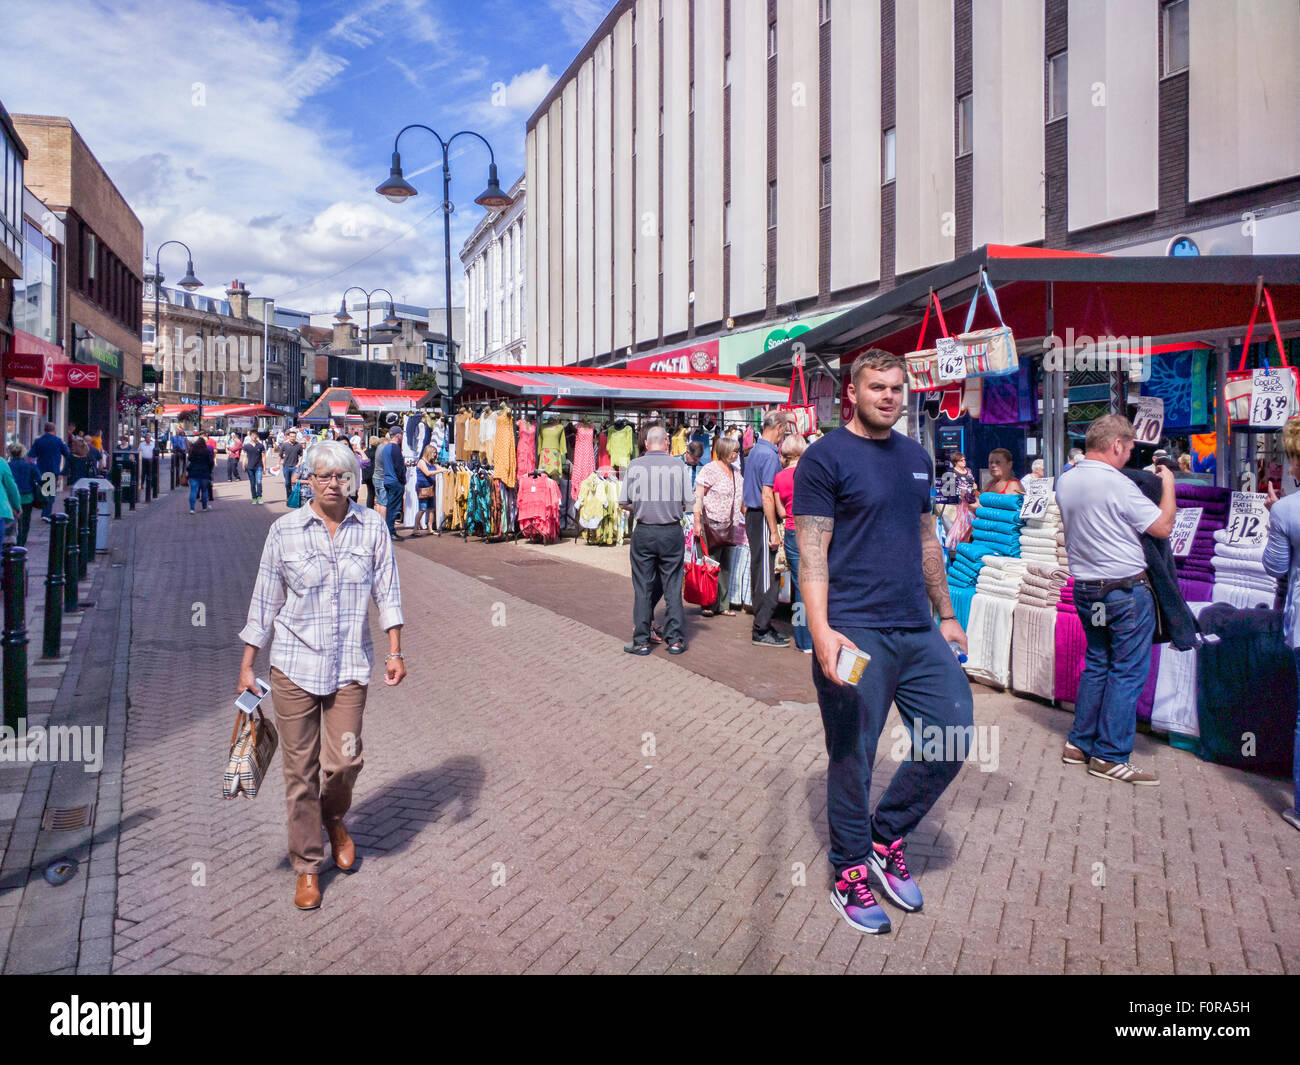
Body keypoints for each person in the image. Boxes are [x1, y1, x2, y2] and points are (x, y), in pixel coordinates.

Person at [794, 348, 972, 935]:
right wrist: (820, 632)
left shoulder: (917, 458)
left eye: (898, 387)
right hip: (854, 629)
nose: (890, 396)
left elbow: (926, 543)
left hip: (918, 628)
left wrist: (946, 615)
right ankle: (848, 871)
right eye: (878, 387)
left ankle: (885, 834)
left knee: (951, 735)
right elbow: (812, 551)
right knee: (853, 755)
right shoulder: (824, 459)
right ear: (852, 392)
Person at [237, 439, 405, 910]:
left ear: (353, 479)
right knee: (299, 772)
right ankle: (308, 866)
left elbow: (388, 591)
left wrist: (395, 649)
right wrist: (248, 664)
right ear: (306, 479)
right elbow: (264, 600)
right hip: (293, 665)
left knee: (345, 763)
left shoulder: (371, 526)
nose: (333, 483)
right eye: (323, 475)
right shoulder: (284, 531)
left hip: (350, 664)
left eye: (341, 475)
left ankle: (334, 818)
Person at [1055, 414, 1175, 785]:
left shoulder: (1066, 479)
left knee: (1097, 664)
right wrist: (1168, 484)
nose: (1129, 456)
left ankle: (1080, 743)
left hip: (1086, 588)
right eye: (1129, 448)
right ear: (1117, 445)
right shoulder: (1118, 484)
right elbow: (1163, 526)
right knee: (1126, 671)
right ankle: (1109, 755)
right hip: (1124, 590)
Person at [621, 425, 695, 656]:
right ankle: (675, 640)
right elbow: (688, 502)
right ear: (667, 443)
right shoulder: (678, 465)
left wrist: (643, 505)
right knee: (672, 585)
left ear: (645, 444)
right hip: (671, 531)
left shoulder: (635, 466)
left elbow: (624, 502)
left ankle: (641, 641)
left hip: (644, 531)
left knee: (643, 586)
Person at [1263, 418, 1300, 832]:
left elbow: (1275, 566)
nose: (1289, 469)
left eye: (1291, 460)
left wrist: (1276, 518)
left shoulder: (1288, 510)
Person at [745, 410, 792, 647]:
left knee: (762, 571)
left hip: (755, 518)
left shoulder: (755, 450)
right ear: (780, 428)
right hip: (763, 518)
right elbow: (766, 496)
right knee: (767, 575)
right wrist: (774, 530)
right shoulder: (768, 455)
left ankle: (763, 623)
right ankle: (761, 629)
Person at [692, 436, 745, 618]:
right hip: (711, 525)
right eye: (734, 450)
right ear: (724, 451)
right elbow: (698, 496)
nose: (737, 453)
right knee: (710, 565)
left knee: (726, 567)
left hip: (730, 527)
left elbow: (741, 501)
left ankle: (722, 604)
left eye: (738, 450)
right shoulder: (710, 470)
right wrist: (697, 521)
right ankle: (707, 603)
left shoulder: (737, 472)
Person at [773, 434, 812, 653]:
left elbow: (779, 511)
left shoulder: (780, 478)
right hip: (813, 530)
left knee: (799, 584)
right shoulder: (811, 473)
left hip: (791, 530)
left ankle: (803, 641)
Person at [28, 421, 69, 521]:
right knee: (49, 494)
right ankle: (46, 514)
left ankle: (44, 511)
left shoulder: (38, 441)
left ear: (44, 430)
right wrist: (63, 471)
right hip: (52, 470)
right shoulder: (58, 441)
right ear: (54, 430)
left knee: (44, 492)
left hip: (40, 470)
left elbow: (30, 457)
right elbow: (68, 455)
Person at [7, 444, 40, 545]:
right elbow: (39, 478)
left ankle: (10, 540)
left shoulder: (8, 465)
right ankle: (21, 542)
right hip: (27, 496)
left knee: (11, 519)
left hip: (10, 497)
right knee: (25, 520)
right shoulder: (30, 465)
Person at [380, 425, 407, 539]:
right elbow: (398, 467)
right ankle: (390, 532)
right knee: (394, 508)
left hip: (388, 480)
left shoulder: (385, 448)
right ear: (398, 435)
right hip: (395, 481)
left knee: (390, 506)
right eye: (401, 434)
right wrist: (403, 480)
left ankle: (388, 531)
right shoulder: (395, 448)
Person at [413, 444, 438, 534]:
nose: (435, 455)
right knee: (422, 508)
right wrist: (440, 471)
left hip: (431, 487)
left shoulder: (432, 462)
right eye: (433, 453)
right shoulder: (421, 462)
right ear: (429, 452)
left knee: (431, 508)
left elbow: (438, 467)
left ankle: (430, 528)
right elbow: (427, 473)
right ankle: (415, 528)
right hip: (422, 488)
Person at [187, 436, 215, 514]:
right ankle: (204, 507)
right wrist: (209, 471)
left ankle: (192, 509)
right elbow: (211, 462)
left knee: (193, 491)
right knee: (204, 490)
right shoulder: (207, 451)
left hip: (193, 472)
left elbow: (189, 459)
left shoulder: (193, 451)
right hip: (204, 472)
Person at [243, 431, 266, 504]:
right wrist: (243, 465)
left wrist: (264, 467)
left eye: (255, 435)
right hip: (250, 467)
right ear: (250, 436)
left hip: (259, 466)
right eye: (252, 435)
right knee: (252, 483)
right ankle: (254, 498)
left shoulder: (260, 446)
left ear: (257, 436)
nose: (254, 437)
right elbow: (245, 456)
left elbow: (263, 457)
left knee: (259, 482)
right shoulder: (246, 446)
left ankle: (259, 497)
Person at [279, 429, 303, 497]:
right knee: (287, 483)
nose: (293, 438)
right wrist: (278, 464)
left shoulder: (299, 445)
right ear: (288, 437)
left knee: (294, 482)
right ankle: (289, 496)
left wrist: (298, 464)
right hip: (286, 467)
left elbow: (301, 455)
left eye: (294, 436)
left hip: (294, 467)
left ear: (296, 437)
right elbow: (280, 455)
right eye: (291, 436)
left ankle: (294, 497)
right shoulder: (284, 445)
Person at [362, 435, 380, 509]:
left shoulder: (366, 452)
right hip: (376, 474)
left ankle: (369, 508)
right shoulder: (378, 452)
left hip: (367, 475)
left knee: (370, 493)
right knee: (378, 493)